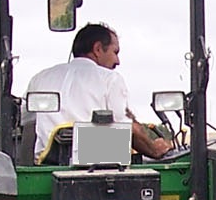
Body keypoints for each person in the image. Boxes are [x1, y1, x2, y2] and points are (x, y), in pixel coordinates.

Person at [23, 22, 174, 163]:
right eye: (115, 52)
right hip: (98, 167)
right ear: (98, 49)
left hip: (47, 162)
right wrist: (155, 150)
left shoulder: (40, 78)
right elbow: (126, 128)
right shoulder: (110, 79)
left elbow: (24, 120)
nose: (117, 61)